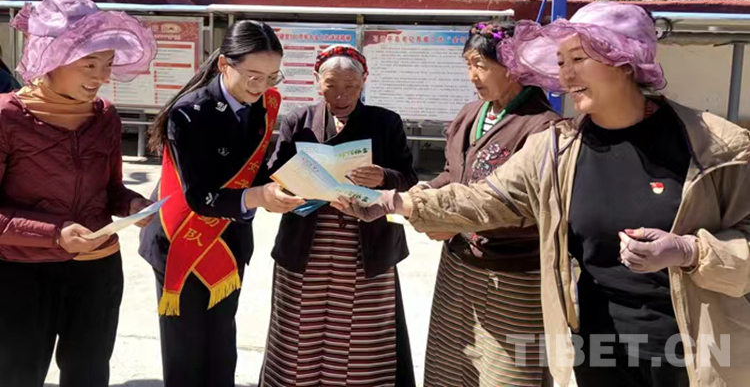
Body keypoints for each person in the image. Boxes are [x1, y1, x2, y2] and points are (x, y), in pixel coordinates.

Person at [334, 2, 750, 387]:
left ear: (625, 60)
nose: (566, 76)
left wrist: (688, 251)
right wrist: (394, 202)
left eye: (579, 59)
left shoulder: (717, 146)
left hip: (698, 345)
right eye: (561, 62)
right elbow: (486, 199)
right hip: (598, 341)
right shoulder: (556, 148)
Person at [0, 0, 157, 387]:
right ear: (51, 57)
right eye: (89, 64)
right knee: (17, 375)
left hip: (97, 269)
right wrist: (55, 234)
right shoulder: (6, 117)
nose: (101, 77)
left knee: (89, 373)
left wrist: (132, 203)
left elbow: (110, 188)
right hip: (21, 273)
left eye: (107, 65)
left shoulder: (106, 117)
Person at [140, 20, 305, 387]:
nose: (260, 87)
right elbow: (199, 195)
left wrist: (294, 178)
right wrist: (259, 197)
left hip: (229, 241)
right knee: (186, 352)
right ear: (223, 65)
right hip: (183, 238)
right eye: (253, 76)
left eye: (272, 77)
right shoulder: (190, 113)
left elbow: (255, 167)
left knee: (220, 347)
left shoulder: (263, 104)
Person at [260, 44, 418, 387]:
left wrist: (383, 176)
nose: (341, 95)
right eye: (331, 85)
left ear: (364, 83)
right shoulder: (298, 120)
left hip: (365, 246)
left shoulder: (385, 122)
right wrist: (287, 189)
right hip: (307, 243)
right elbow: (274, 174)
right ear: (317, 82)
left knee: (359, 334)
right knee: (299, 329)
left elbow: (408, 178)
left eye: (351, 86)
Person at [420, 22, 559, 387]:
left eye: (480, 65)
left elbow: (530, 205)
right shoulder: (471, 113)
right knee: (451, 365)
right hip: (458, 263)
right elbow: (453, 174)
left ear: (513, 66)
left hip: (512, 275)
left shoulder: (542, 127)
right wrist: (423, 195)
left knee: (506, 373)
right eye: (468, 64)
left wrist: (454, 220)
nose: (472, 76)